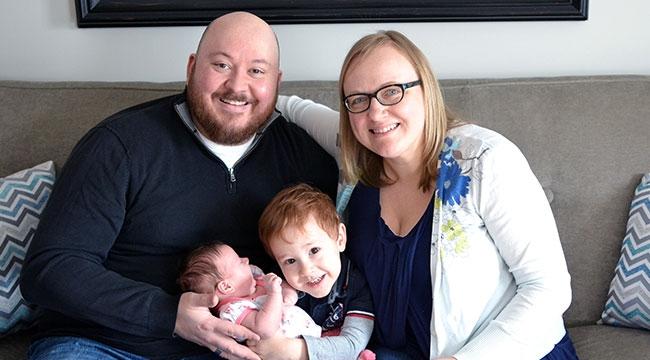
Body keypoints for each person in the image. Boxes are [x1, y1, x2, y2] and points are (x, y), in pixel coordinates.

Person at [20, 11, 338, 360]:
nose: (236, 85)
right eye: (221, 65)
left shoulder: (304, 159)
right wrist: (169, 315)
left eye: (257, 71)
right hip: (103, 344)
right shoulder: (120, 145)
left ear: (276, 82)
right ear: (191, 68)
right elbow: (50, 269)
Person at [273, 31, 579, 359]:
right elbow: (294, 107)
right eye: (359, 100)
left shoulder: (484, 161)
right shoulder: (358, 154)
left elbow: (548, 291)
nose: (375, 113)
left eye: (392, 92)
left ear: (425, 89)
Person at [256, 183, 375, 360]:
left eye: (314, 250)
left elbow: (353, 344)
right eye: (290, 261)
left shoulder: (355, 286)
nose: (306, 270)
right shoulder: (277, 285)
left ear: (340, 239)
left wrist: (292, 350)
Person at [178, 242, 322, 339]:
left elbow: (282, 285)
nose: (246, 259)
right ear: (226, 287)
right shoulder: (233, 310)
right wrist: (274, 294)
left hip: (311, 338)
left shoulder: (254, 279)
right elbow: (265, 329)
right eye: (239, 262)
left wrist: (288, 293)